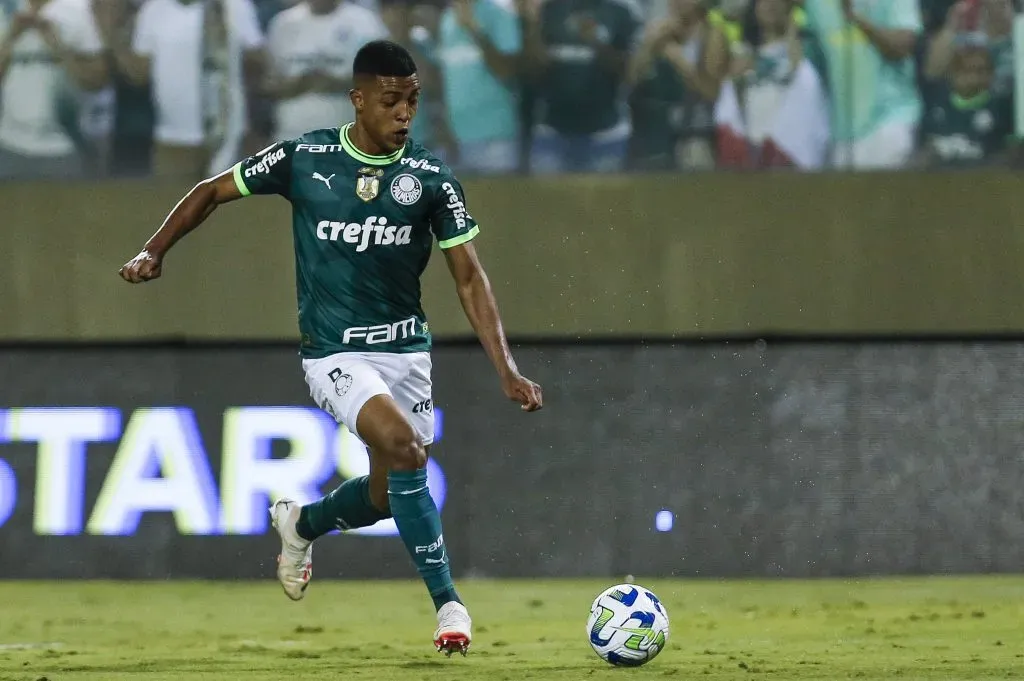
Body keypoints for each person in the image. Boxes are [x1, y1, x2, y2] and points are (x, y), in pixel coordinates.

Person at [118, 39, 543, 656]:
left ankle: (303, 522)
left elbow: (469, 277)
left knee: (381, 495)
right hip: (333, 353)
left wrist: (506, 368)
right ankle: (449, 605)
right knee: (404, 449)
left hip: (407, 354)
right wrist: (153, 249)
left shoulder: (430, 180)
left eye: (414, 102)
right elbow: (210, 190)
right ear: (359, 99)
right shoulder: (305, 157)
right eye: (392, 101)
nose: (404, 114)